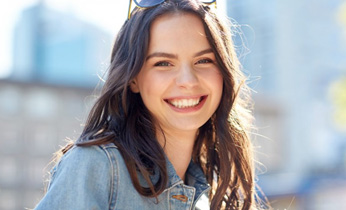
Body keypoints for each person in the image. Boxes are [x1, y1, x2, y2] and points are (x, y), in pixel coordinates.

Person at [34, 0, 266, 209]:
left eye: (204, 60)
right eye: (163, 63)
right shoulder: (97, 167)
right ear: (133, 78)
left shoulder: (210, 198)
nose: (187, 81)